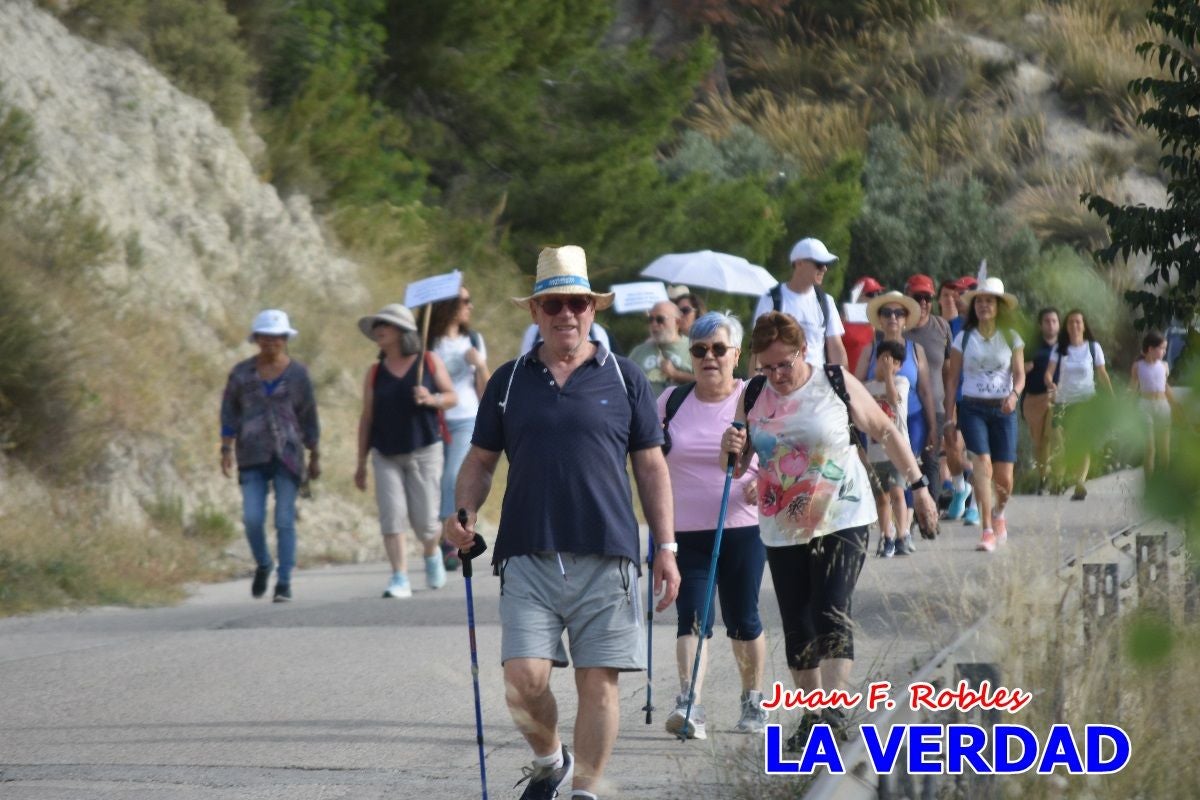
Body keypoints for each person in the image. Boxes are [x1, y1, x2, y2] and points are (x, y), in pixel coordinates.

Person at [443, 245, 680, 800]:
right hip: (528, 553)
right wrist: (463, 513)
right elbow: (480, 462)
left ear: (592, 309)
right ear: (535, 312)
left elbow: (650, 465)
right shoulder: (507, 381)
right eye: (553, 304)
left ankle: (586, 793)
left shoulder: (625, 379)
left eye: (576, 302)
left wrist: (665, 547)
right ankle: (551, 760)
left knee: (599, 686)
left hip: (608, 553)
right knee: (523, 683)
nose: (565, 314)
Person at [723, 312, 936, 747]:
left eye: (784, 364)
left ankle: (835, 712)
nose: (777, 375)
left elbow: (886, 431)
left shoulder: (833, 381)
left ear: (803, 351)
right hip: (782, 528)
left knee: (830, 607)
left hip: (843, 516)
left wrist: (920, 487)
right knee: (797, 624)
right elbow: (738, 465)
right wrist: (730, 449)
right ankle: (814, 714)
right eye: (767, 366)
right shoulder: (754, 393)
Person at [656, 311, 767, 740]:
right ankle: (689, 705)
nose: (709, 357)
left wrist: (762, 481)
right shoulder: (670, 401)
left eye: (719, 349)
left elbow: (782, 452)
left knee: (743, 618)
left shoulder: (754, 398)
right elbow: (652, 459)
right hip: (684, 531)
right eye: (700, 350)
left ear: (736, 355)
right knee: (693, 616)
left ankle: (752, 701)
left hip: (741, 526)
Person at [354, 303, 457, 598]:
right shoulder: (374, 373)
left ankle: (430, 552)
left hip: (425, 449)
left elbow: (451, 397)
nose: (378, 330)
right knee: (392, 515)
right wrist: (360, 462)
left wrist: (431, 398)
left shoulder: (429, 361)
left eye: (384, 324)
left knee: (426, 522)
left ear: (402, 332)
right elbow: (367, 418)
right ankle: (399, 576)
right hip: (385, 453)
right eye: (376, 326)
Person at [220, 309, 320, 602]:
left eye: (277, 337)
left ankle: (284, 581)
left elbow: (308, 415)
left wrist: (315, 454)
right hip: (251, 454)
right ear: (257, 339)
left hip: (289, 456)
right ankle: (264, 563)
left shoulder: (299, 374)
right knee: (252, 517)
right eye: (266, 336)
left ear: (286, 339)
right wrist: (225, 447)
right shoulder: (241, 373)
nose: (272, 342)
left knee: (285, 519)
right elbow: (229, 413)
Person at [943, 278, 1025, 553]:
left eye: (989, 301)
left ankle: (999, 513)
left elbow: (1020, 375)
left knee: (1004, 478)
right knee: (982, 466)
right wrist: (949, 416)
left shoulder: (1012, 337)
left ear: (999, 306)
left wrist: (1014, 396)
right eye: (979, 301)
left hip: (1003, 409)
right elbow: (953, 380)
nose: (984, 306)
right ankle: (987, 529)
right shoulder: (962, 338)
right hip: (972, 407)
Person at [856, 290, 937, 554]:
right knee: (885, 489)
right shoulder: (870, 350)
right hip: (875, 427)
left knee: (903, 482)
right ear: (879, 319)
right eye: (887, 313)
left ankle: (904, 531)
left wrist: (933, 424)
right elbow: (856, 388)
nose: (893, 317)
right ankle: (892, 534)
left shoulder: (916, 351)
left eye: (898, 312)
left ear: (905, 319)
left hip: (909, 420)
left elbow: (924, 390)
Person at [427, 285, 492, 571]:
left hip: (466, 416)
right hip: (433, 419)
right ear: (448, 305)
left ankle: (450, 541)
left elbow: (487, 391)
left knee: (453, 476)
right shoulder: (428, 341)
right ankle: (439, 538)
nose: (470, 306)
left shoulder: (473, 340)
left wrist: (479, 365)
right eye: (465, 300)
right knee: (435, 480)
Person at [1045, 310, 1114, 501]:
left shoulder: (1093, 347)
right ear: (1066, 327)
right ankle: (1058, 478)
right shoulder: (1060, 348)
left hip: (1085, 401)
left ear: (1084, 326)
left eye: (1078, 322)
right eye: (1071, 323)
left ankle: (1080, 483)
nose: (1074, 326)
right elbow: (1049, 373)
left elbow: (1102, 374)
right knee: (1059, 440)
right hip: (1063, 401)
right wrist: (1050, 383)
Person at [753, 237, 848, 366]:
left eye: (827, 265)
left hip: (817, 382)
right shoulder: (771, 298)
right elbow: (758, 347)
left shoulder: (826, 302)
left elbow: (836, 348)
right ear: (799, 263)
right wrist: (756, 384)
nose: (824, 269)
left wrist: (842, 384)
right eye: (819, 264)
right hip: (780, 379)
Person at [903, 275, 951, 494]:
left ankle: (930, 520)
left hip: (938, 406)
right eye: (918, 297)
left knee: (931, 461)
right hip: (906, 407)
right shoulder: (896, 328)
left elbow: (950, 372)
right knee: (905, 461)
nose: (923, 302)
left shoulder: (942, 327)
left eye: (927, 298)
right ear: (907, 298)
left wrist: (953, 411)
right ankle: (907, 517)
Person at [863, 339, 910, 558]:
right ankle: (886, 536)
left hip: (898, 450)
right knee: (881, 497)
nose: (884, 364)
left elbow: (893, 400)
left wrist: (890, 374)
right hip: (875, 451)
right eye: (882, 359)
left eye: (890, 361)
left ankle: (902, 535)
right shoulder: (867, 388)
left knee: (897, 492)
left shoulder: (901, 382)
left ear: (899, 365)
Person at [938, 277, 976, 523]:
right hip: (953, 394)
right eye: (954, 294)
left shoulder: (984, 325)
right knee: (951, 447)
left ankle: (975, 507)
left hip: (977, 396)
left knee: (974, 451)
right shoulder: (949, 325)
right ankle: (961, 488)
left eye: (961, 293)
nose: (957, 298)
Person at [1023, 308, 1061, 495]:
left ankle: (1057, 478)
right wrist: (1025, 367)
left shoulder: (1065, 347)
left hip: (1056, 398)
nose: (1051, 324)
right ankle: (1043, 476)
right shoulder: (1031, 347)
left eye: (1054, 321)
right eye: (1047, 321)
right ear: (1041, 324)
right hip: (1033, 399)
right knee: (1039, 443)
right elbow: (1016, 368)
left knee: (1053, 435)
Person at [1131, 330, 1175, 477]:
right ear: (1150, 349)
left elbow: (1165, 386)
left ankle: (1164, 483)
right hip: (1145, 407)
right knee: (1149, 448)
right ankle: (1149, 485)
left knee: (1164, 448)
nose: (1164, 351)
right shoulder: (1138, 366)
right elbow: (1133, 387)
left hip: (1163, 406)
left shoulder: (1164, 366)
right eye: (1162, 348)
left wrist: (1175, 403)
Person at [629, 300, 694, 395]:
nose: (654, 324)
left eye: (660, 319)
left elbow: (707, 382)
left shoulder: (694, 348)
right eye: (650, 320)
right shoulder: (638, 351)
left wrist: (676, 374)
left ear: (677, 322)